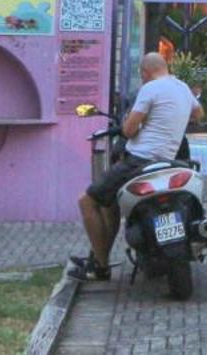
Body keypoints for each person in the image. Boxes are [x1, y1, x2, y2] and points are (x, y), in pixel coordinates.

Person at [71, 51, 199, 280]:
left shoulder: (149, 89)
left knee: (87, 201)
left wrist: (140, 123)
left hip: (139, 160)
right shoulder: (182, 88)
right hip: (168, 161)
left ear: (145, 73)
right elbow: (198, 113)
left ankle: (100, 267)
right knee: (109, 205)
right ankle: (102, 256)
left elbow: (129, 130)